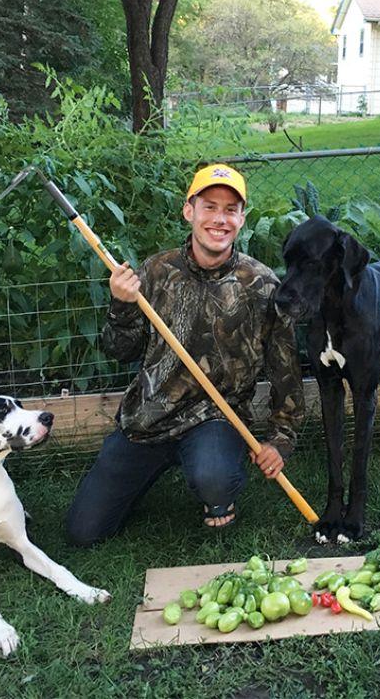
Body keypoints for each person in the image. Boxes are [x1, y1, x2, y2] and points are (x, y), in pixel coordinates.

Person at [66, 163, 304, 544]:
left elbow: (286, 371)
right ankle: (143, 476)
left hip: (216, 419)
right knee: (83, 533)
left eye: (230, 210)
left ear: (242, 219)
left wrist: (280, 439)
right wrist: (122, 304)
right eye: (209, 206)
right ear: (188, 210)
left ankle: (217, 496)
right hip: (149, 419)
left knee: (215, 478)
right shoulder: (157, 271)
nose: (219, 219)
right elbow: (119, 351)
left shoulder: (261, 285)